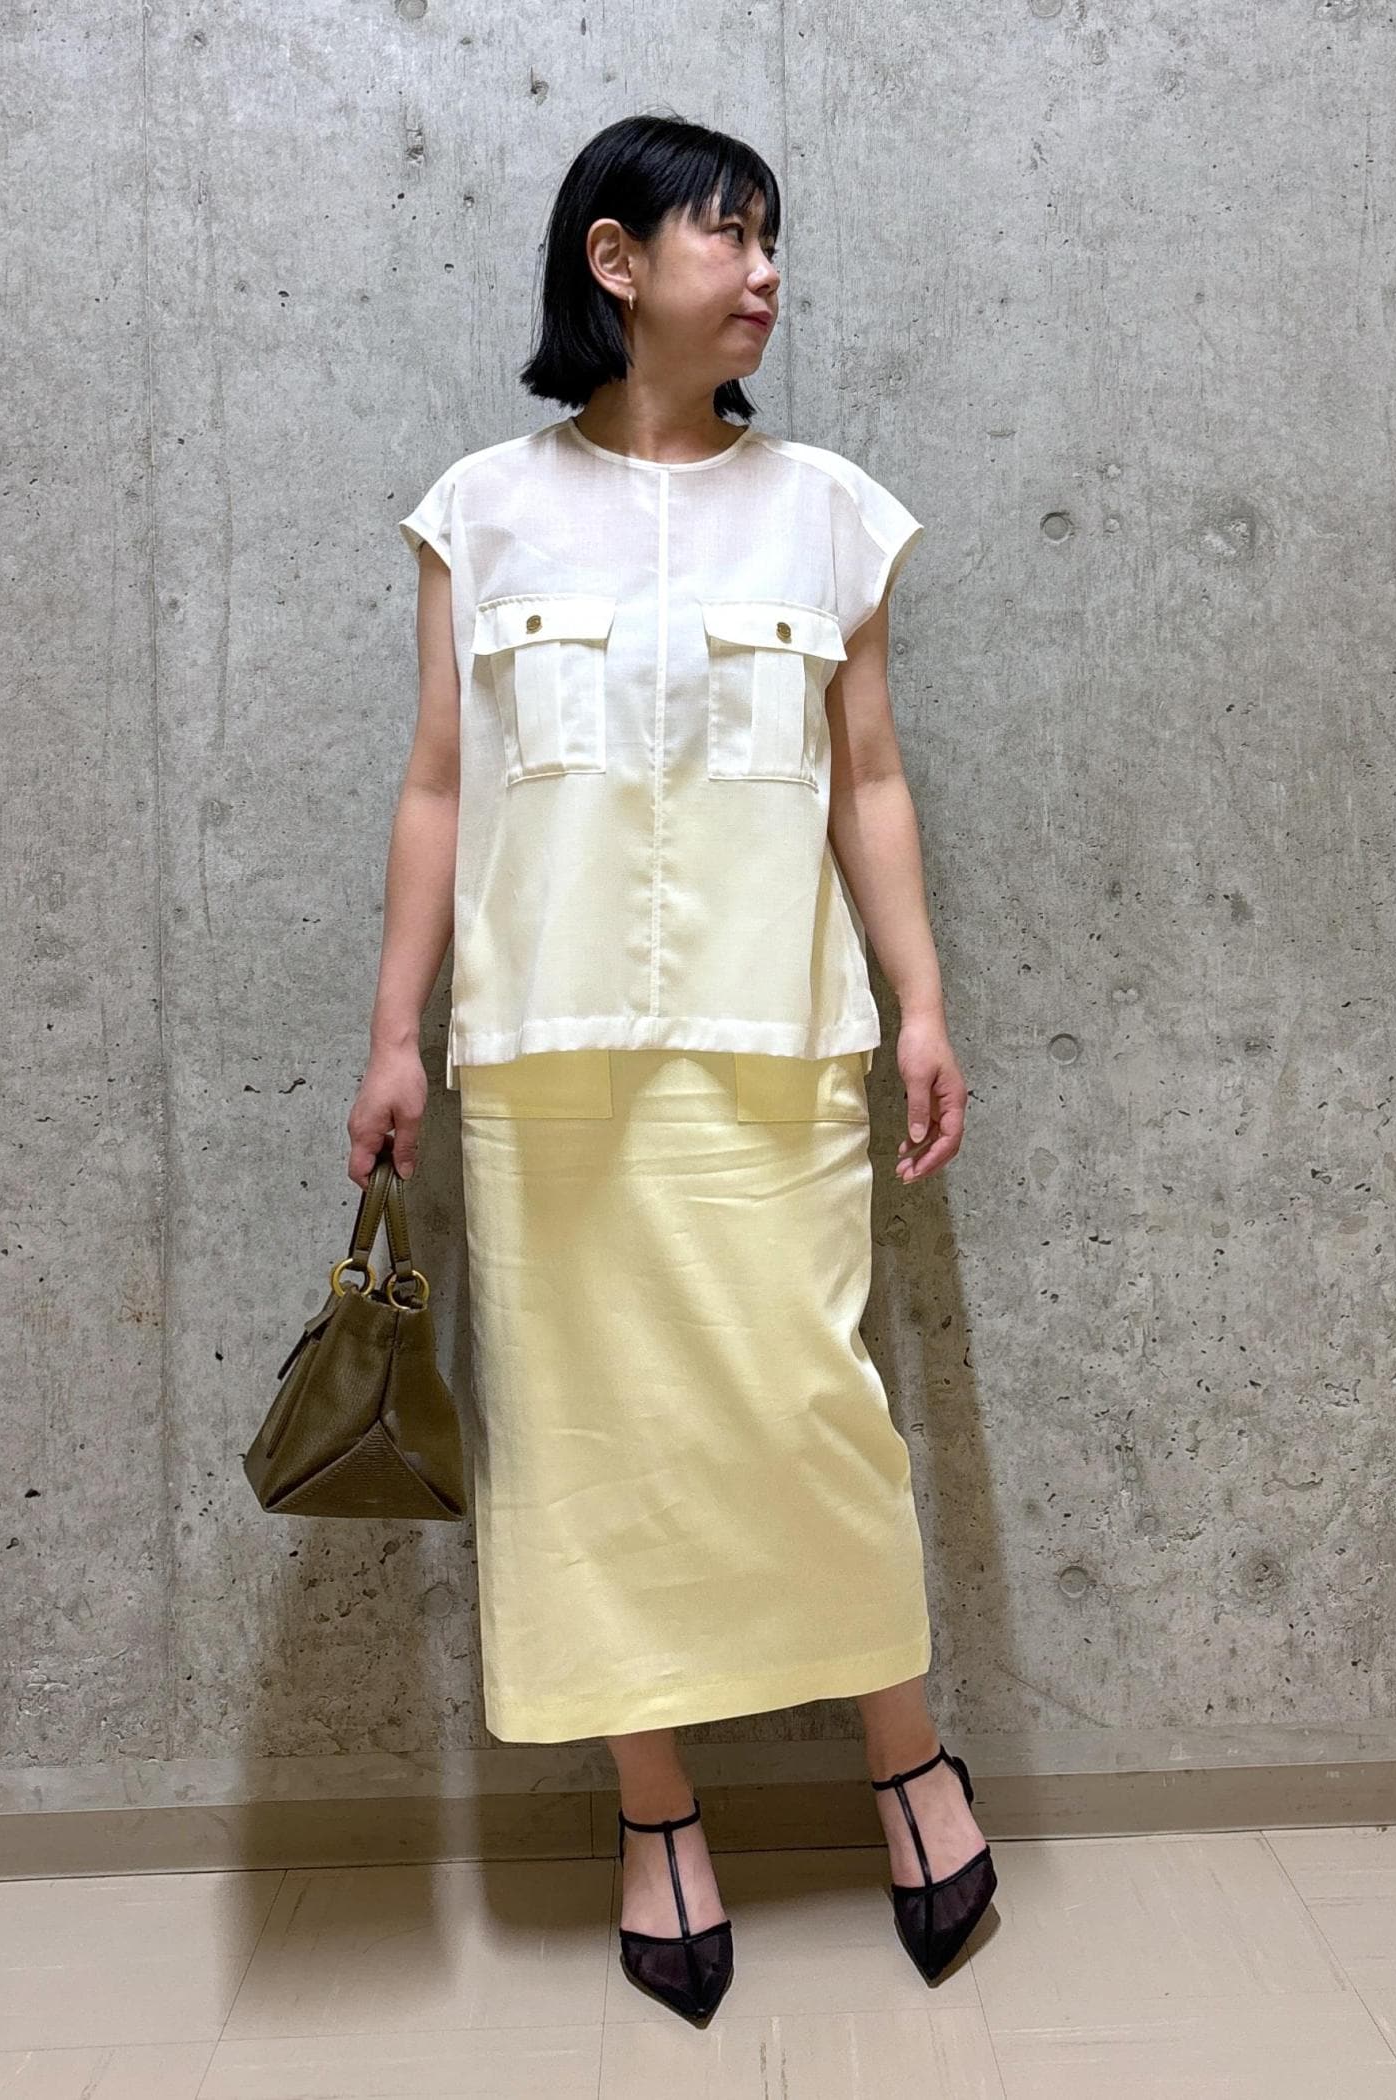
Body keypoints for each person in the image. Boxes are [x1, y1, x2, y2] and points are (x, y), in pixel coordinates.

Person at [349, 112, 996, 2022]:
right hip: (544, 1059)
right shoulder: (479, 510)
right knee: (587, 1442)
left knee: (812, 1411)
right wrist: (393, 1033)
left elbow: (869, 779)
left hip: (774, 1046)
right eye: (733, 235)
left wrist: (923, 1004)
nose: (768, 272)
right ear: (617, 262)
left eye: (774, 239)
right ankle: (655, 1810)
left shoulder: (833, 512)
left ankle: (910, 1761)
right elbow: (438, 786)